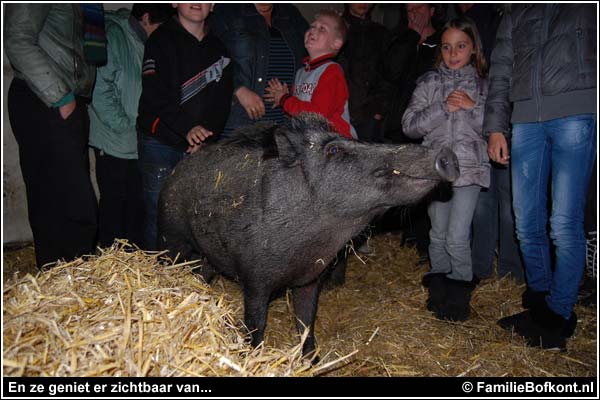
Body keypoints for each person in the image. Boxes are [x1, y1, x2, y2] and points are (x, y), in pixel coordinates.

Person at [486, 4, 596, 349]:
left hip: (576, 111)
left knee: (563, 223)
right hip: (524, 119)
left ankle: (559, 312)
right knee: (526, 221)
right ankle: (540, 297)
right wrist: (494, 128)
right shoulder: (515, 11)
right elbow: (501, 70)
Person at [402, 16, 490, 321]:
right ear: (440, 50)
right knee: (437, 233)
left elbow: (494, 128)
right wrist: (442, 108)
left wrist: (471, 106)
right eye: (447, 47)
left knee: (456, 234)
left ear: (474, 49)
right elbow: (409, 125)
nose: (454, 53)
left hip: (468, 172)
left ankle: (459, 290)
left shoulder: (482, 86)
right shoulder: (429, 83)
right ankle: (438, 287)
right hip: (436, 172)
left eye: (461, 46)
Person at [5, 4, 105, 268]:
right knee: (68, 199)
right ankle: (62, 278)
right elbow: (17, 38)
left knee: (67, 195)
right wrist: (60, 96)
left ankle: (68, 276)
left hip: (67, 98)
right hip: (45, 97)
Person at [136, 3, 234, 250]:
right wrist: (188, 129)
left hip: (199, 147)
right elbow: (155, 95)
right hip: (160, 142)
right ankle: (154, 276)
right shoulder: (159, 40)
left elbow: (221, 102)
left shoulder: (220, 48)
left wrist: (205, 138)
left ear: (212, 6)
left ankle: (185, 276)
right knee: (159, 212)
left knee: (193, 215)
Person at [88, 4, 173, 249]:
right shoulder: (114, 36)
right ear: (145, 18)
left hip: (136, 141)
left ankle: (132, 261)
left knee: (136, 205)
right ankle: (111, 260)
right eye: (159, 27)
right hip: (114, 140)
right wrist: (128, 127)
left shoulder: (143, 42)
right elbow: (101, 91)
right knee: (115, 204)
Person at [455, 4, 524, 283]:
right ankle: (480, 267)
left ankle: (511, 270)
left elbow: (505, 77)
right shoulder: (471, 21)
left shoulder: (504, 17)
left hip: (509, 118)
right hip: (485, 130)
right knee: (484, 203)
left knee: (509, 201)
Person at [383, 3, 442, 265]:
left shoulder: (442, 41)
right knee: (403, 182)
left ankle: (426, 241)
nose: (413, 14)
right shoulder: (399, 38)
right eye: (408, 10)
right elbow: (390, 71)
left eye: (419, 8)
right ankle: (409, 234)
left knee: (426, 184)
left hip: (429, 123)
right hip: (400, 122)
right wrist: (410, 37)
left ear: (432, 10)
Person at [209, 3, 308, 135]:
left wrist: (292, 93)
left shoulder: (290, 13)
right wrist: (238, 89)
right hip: (240, 117)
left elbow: (311, 55)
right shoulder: (228, 11)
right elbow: (208, 57)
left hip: (283, 121)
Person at [265, 9, 357, 139]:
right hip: (311, 144)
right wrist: (283, 101)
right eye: (312, 26)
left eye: (322, 29)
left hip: (335, 146)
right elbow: (298, 115)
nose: (313, 30)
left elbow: (318, 116)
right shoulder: (301, 72)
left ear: (336, 43)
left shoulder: (332, 71)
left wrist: (285, 99)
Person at [337, 3, 393, 143]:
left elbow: (388, 74)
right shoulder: (336, 28)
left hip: (369, 114)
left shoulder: (381, 33)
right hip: (339, 111)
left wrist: (379, 109)